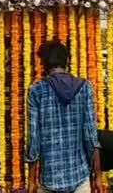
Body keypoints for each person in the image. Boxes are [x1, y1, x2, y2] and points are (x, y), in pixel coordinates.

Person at [25, 40, 101, 193]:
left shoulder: (36, 90)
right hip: (80, 177)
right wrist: (97, 176)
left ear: (44, 65)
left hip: (50, 179)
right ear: (67, 61)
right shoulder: (85, 87)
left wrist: (31, 179)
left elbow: (34, 138)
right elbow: (91, 136)